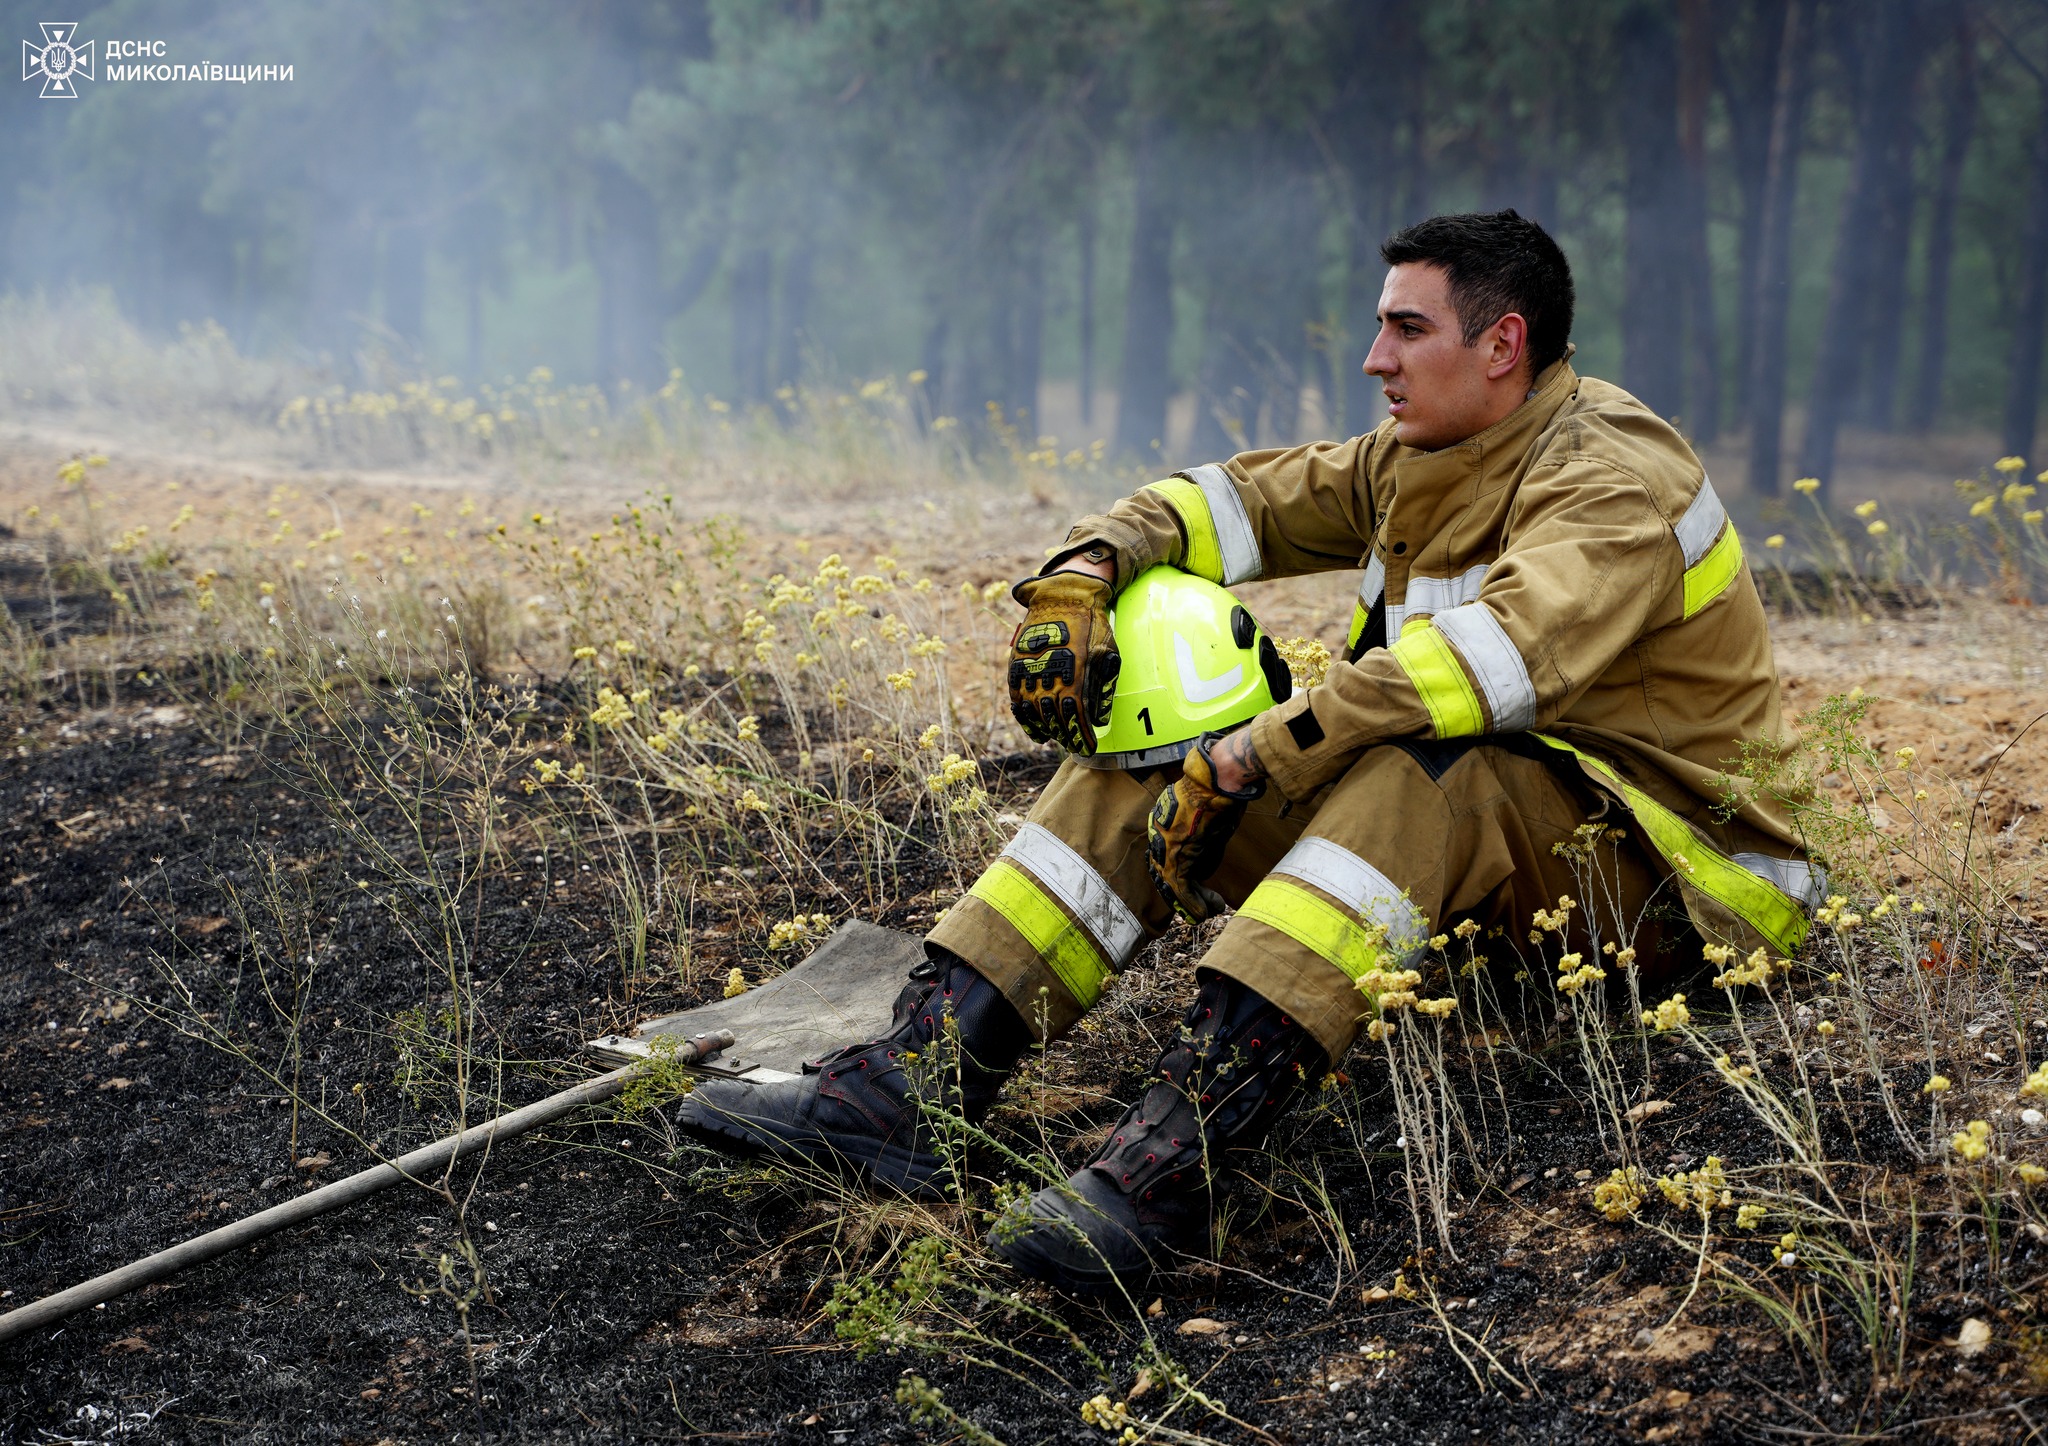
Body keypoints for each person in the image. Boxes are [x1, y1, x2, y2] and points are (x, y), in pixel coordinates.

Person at [678, 209, 1819, 1292]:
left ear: (1502, 344)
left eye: (1405, 329)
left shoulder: (1612, 475)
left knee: (1420, 764)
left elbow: (1488, 666)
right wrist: (1088, 566)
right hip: (1520, 886)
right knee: (1158, 740)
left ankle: (1183, 1158)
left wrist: (1269, 749)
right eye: (1380, 326)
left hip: (1676, 899)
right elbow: (1232, 500)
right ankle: (911, 1088)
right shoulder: (1423, 450)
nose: (1374, 358)